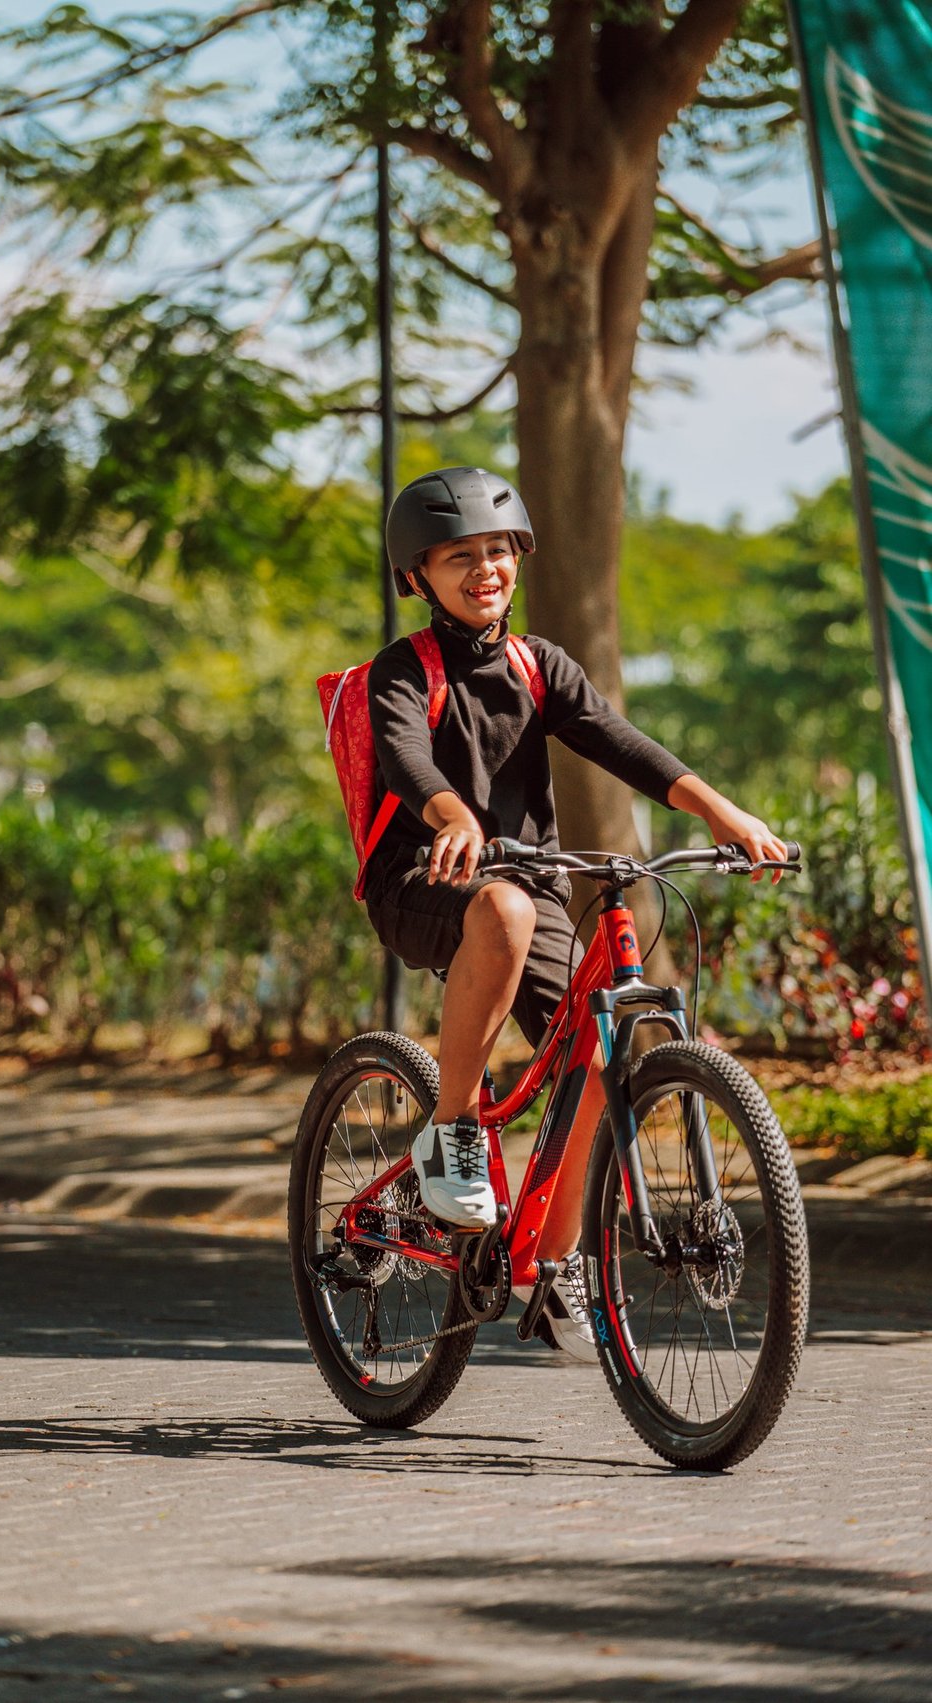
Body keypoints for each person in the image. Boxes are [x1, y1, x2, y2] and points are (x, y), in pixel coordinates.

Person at [365, 466, 786, 1358]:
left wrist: (723, 813)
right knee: (507, 913)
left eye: (499, 553)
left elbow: (617, 740)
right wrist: (454, 817)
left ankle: (553, 1267)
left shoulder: (537, 664)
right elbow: (405, 759)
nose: (486, 571)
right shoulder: (405, 670)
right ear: (418, 575)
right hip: (426, 877)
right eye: (460, 559)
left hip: (528, 883)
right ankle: (451, 1134)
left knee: (600, 1055)